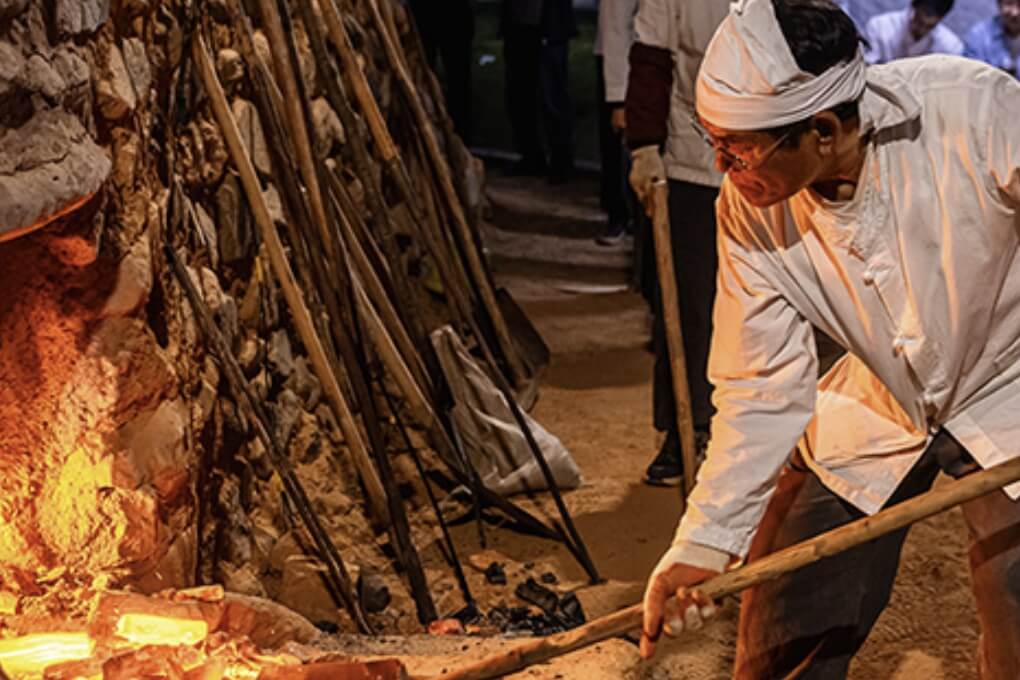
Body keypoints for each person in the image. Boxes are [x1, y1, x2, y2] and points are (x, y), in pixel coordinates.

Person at [640, 0, 1020, 677]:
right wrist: (703, 540)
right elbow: (759, 388)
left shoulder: (976, 112)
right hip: (881, 396)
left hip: (1010, 385)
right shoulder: (749, 210)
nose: (723, 167)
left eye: (739, 148)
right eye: (714, 143)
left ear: (820, 129)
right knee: (785, 621)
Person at [625, 0, 731, 486]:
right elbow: (651, 57)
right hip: (695, 162)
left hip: (775, 161)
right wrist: (645, 145)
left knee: (765, 307)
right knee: (691, 306)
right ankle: (688, 430)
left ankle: (755, 436)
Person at [500, 0, 578, 183]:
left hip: (546, 27)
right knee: (519, 95)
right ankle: (532, 155)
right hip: (521, 25)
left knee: (551, 96)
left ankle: (560, 160)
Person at [593, 0, 637, 246]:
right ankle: (618, 215)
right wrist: (618, 97)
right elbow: (615, 27)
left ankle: (625, 215)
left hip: (633, 57)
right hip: (619, 60)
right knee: (617, 147)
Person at [408, 0, 476, 143]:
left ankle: (459, 137)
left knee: (458, 81)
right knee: (422, 77)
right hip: (428, 13)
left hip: (452, 14)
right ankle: (425, 132)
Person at [862, 0, 963, 64]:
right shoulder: (879, 27)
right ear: (913, 7)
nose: (922, 30)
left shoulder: (950, 47)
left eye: (929, 27)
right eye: (919, 22)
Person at [963, 0, 1020, 78]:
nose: (1015, 13)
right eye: (1009, 3)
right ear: (999, 4)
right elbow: (968, 76)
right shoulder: (978, 36)